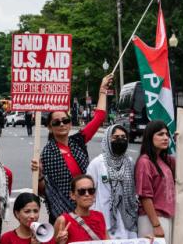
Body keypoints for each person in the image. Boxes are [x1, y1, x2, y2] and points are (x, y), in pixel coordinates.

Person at [32, 74, 111, 223]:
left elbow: (99, 117)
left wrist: (103, 90)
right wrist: (39, 175)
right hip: (61, 214)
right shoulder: (47, 154)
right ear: (49, 127)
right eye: (56, 122)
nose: (61, 124)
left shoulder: (78, 141)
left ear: (69, 124)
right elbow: (44, 191)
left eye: (65, 120)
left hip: (87, 206)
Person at [86, 125, 138, 239]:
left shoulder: (129, 162)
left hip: (127, 219)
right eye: (115, 137)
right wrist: (93, 218)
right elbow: (89, 193)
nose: (120, 140)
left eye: (123, 137)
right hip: (104, 220)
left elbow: (134, 190)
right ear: (107, 140)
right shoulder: (97, 163)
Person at [135, 120, 175, 242]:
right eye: (160, 134)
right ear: (149, 137)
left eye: (167, 135)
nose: (165, 138)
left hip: (167, 217)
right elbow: (145, 197)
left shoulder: (166, 161)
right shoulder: (145, 162)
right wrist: (156, 225)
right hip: (152, 220)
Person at [54, 175, 107, 243]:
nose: (87, 194)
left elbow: (108, 241)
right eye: (82, 191)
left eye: (91, 191)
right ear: (72, 195)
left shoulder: (99, 216)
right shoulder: (63, 220)